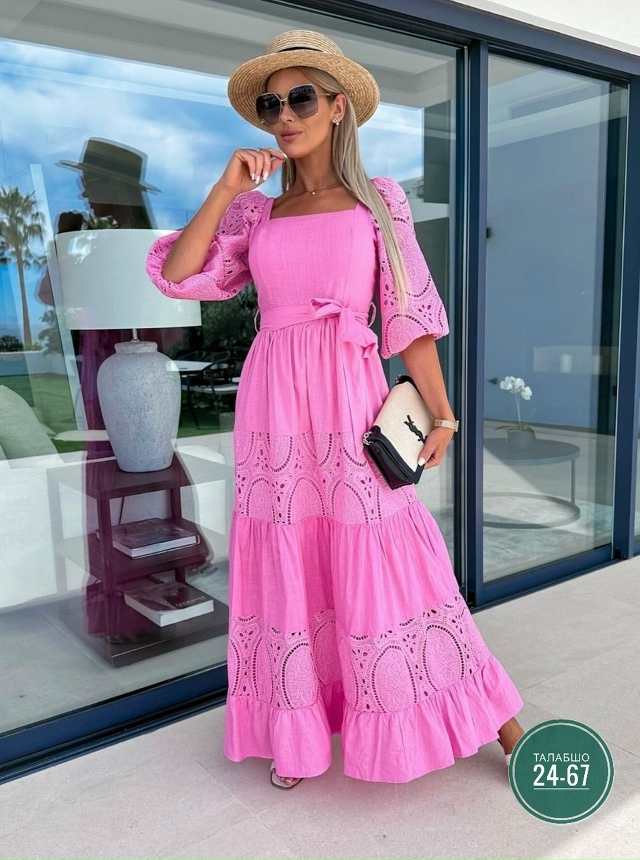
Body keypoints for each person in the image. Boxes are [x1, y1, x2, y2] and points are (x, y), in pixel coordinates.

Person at [146, 30, 525, 788]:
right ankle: (299, 734)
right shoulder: (256, 214)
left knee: (395, 557)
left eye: (300, 98)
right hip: (274, 406)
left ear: (338, 106)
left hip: (352, 398)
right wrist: (225, 188)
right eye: (270, 104)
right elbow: (179, 274)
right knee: (291, 560)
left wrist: (443, 414)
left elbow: (410, 318)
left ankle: (500, 719)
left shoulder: (379, 201)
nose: (284, 115)